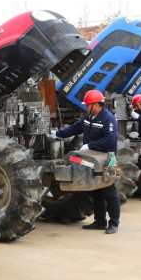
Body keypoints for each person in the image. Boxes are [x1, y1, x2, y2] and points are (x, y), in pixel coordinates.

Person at [50, 90, 121, 234]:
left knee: (109, 190)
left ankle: (114, 223)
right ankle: (100, 221)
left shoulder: (108, 119)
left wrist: (90, 145)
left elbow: (110, 139)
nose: (86, 107)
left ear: (96, 104)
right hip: (93, 156)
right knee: (95, 191)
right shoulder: (89, 117)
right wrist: (57, 134)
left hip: (108, 157)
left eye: (88, 105)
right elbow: (75, 128)